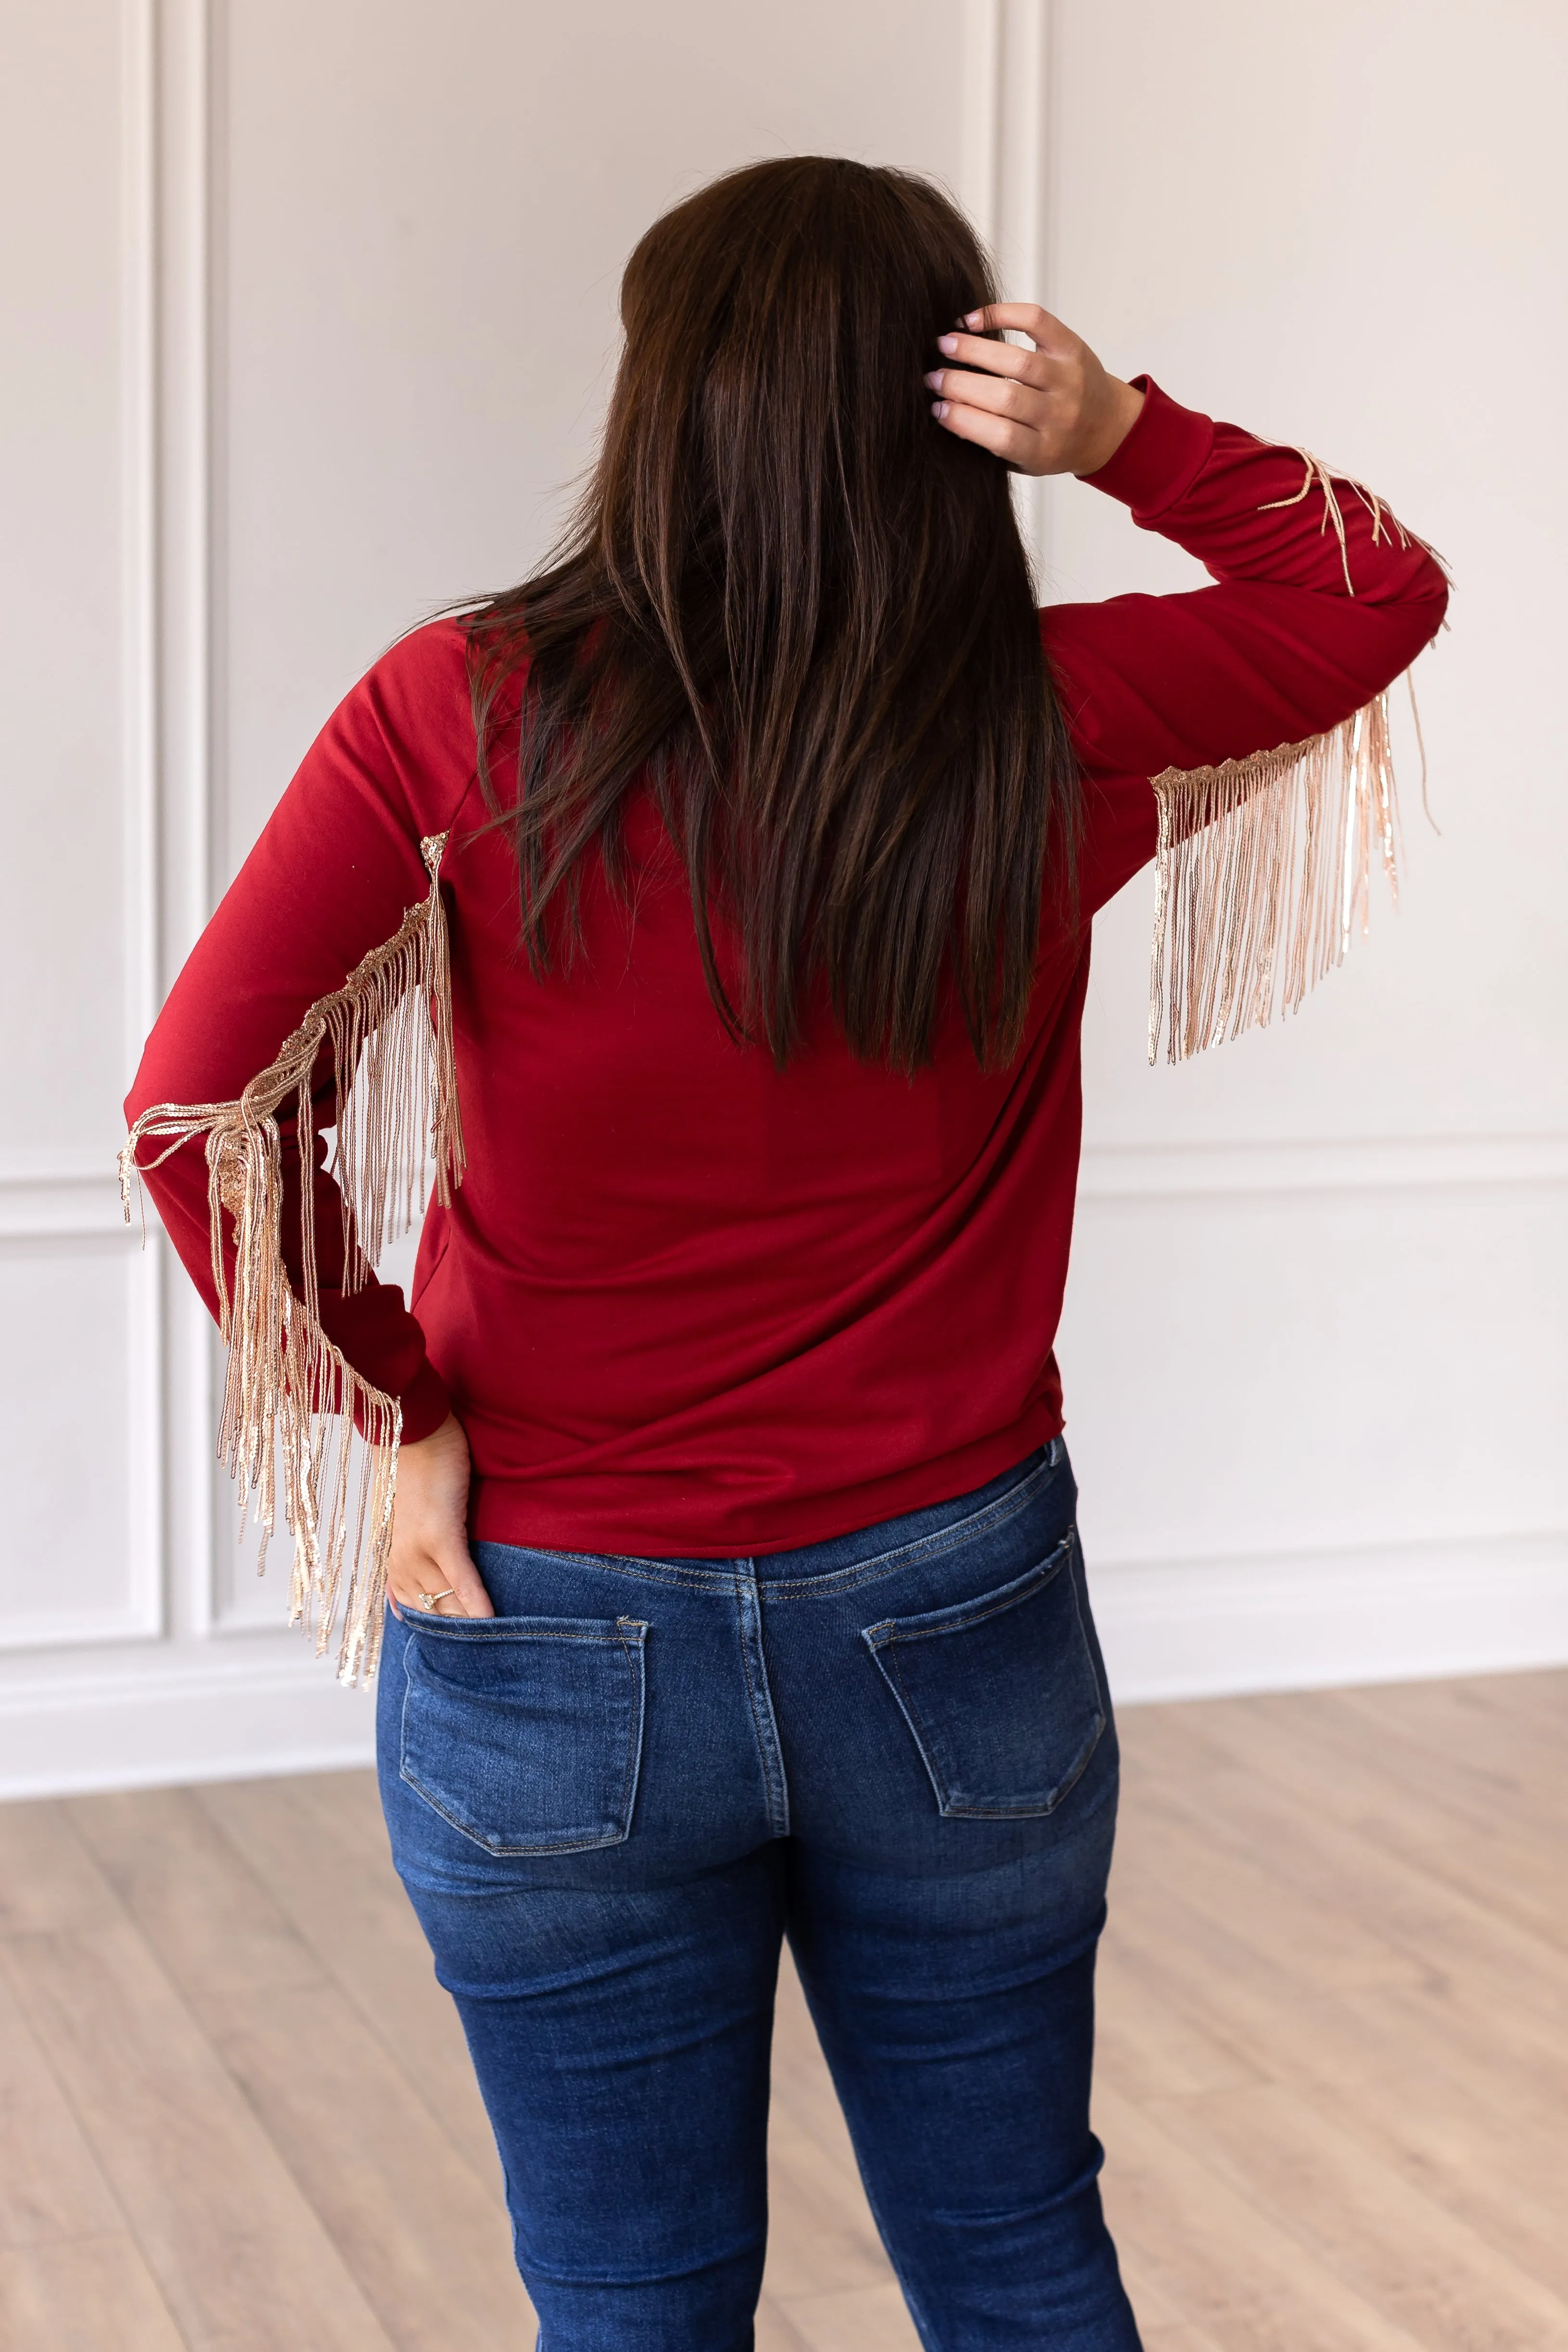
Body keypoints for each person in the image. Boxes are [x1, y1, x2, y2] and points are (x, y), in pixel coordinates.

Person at [123, 156, 1447, 2351]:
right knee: (1019, 2255)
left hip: (548, 1625)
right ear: (955, 405)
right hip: (954, 1610)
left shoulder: (459, 713)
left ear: (661, 403)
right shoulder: (1046, 718)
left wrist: (399, 1403)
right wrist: (1127, 438)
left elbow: (190, 1109)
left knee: (632, 2309)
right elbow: (1371, 596)